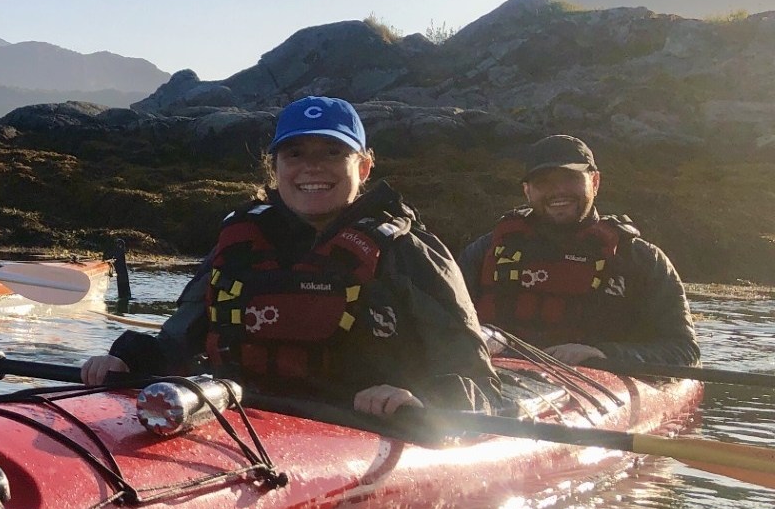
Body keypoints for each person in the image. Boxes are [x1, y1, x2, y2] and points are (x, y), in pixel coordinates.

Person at [81, 96, 497, 416]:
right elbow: (177, 342)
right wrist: (125, 361)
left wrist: (421, 398)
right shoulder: (239, 244)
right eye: (295, 154)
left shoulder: (410, 253)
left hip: (366, 429)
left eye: (333, 153)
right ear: (275, 167)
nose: (312, 168)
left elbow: (476, 382)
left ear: (365, 167)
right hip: (246, 422)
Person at [458, 135, 698, 367]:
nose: (558, 191)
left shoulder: (642, 261)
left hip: (597, 387)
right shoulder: (486, 252)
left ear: (594, 182)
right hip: (497, 381)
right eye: (544, 182)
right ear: (527, 191)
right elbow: (439, 327)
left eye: (570, 178)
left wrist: (603, 354)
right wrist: (480, 338)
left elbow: (684, 351)